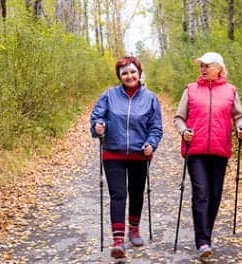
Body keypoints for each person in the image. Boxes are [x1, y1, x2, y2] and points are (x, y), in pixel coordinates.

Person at [173, 52, 242, 259]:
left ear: (219, 68)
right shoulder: (191, 90)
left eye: (207, 65)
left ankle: (206, 234)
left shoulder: (230, 91)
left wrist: (241, 127)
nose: (203, 68)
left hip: (219, 150)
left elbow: (239, 116)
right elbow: (179, 118)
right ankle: (203, 242)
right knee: (201, 192)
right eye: (201, 65)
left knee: (214, 195)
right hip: (195, 150)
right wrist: (183, 131)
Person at [90, 56, 163, 259]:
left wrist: (151, 143)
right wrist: (98, 127)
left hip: (140, 154)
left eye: (132, 72)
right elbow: (97, 117)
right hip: (113, 152)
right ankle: (118, 241)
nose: (129, 76)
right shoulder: (109, 95)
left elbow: (156, 128)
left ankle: (134, 228)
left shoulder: (150, 99)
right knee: (118, 194)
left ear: (139, 73)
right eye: (124, 73)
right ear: (119, 76)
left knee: (137, 193)